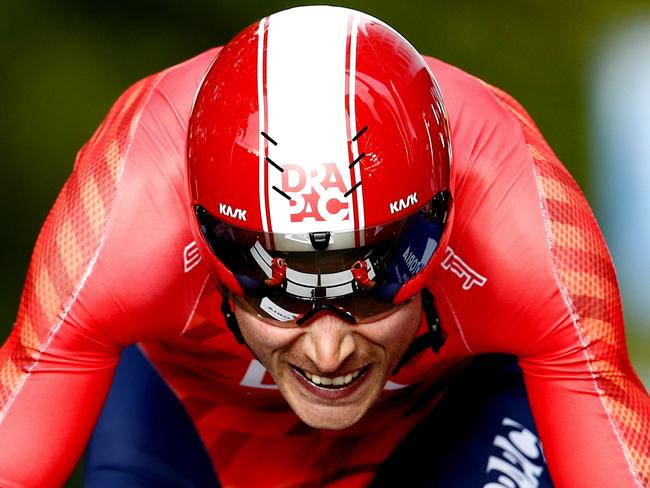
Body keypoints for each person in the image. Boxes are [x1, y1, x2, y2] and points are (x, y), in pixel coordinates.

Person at [0, 5, 648, 487]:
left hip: (447, 415)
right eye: (278, 292)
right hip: (189, 413)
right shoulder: (125, 217)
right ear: (203, 232)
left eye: (369, 287)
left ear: (442, 226)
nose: (329, 349)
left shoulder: (523, 222)